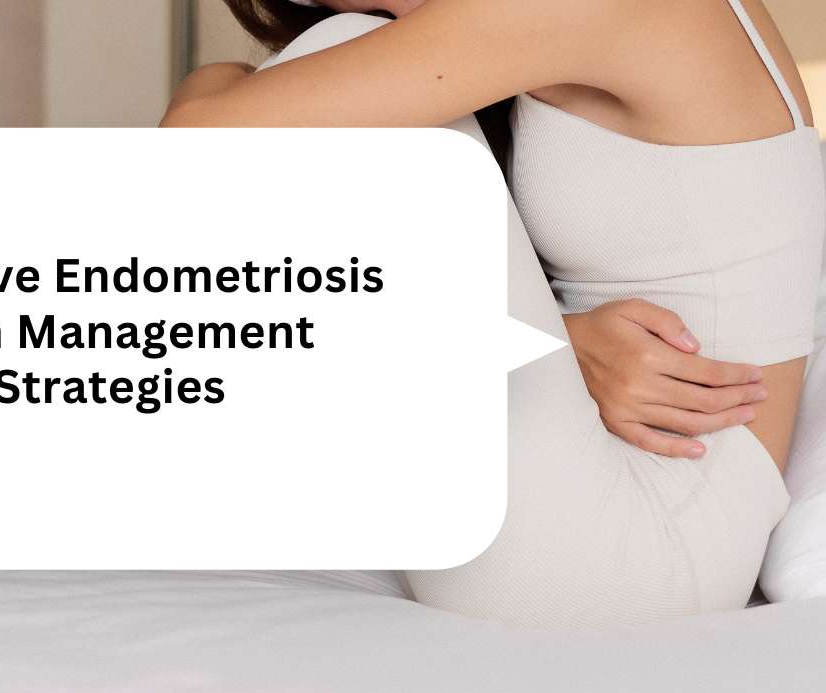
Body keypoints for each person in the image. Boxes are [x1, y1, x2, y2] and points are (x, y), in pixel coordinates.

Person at [163, 0, 826, 628]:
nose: (353, 9)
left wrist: (209, 83)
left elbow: (193, 144)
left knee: (335, 60)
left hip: (632, 556)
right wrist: (565, 345)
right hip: (644, 529)